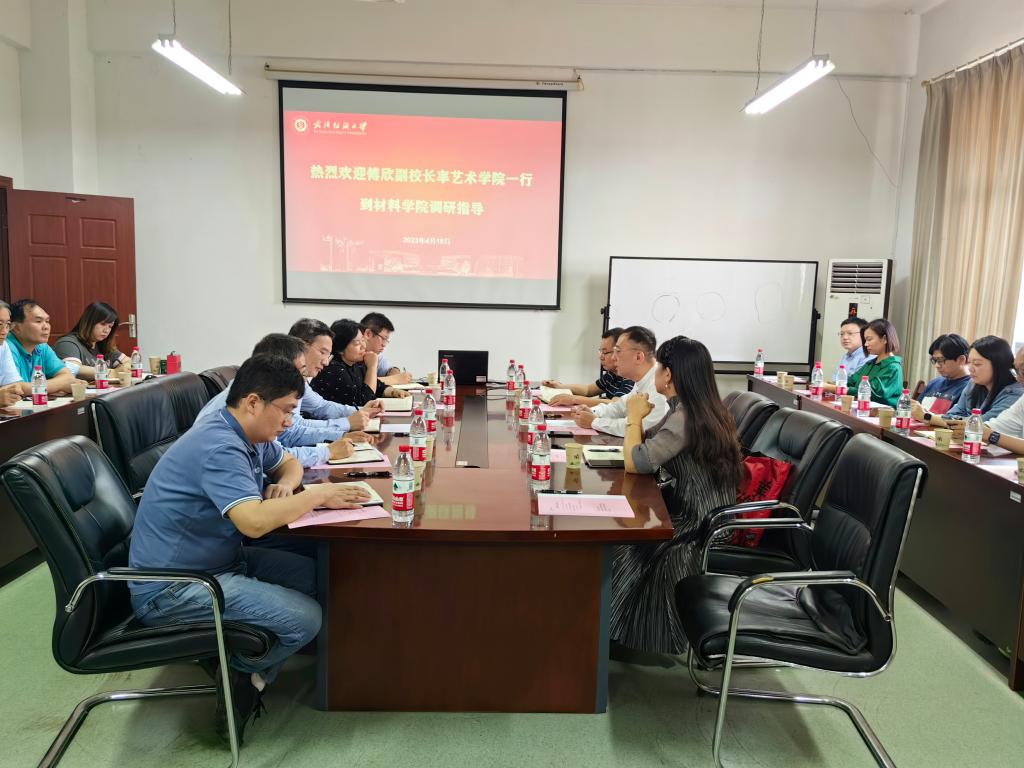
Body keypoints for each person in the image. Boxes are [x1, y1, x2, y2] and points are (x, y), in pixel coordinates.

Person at [128, 355, 371, 741]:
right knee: (306, 618)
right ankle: (240, 673)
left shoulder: (248, 435)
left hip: (222, 562)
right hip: (174, 587)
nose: (290, 421)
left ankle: (245, 664)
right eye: (286, 410)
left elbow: (288, 464)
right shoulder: (220, 445)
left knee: (325, 579)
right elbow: (253, 523)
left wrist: (287, 486)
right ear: (254, 402)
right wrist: (316, 496)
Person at [611, 336, 743, 654]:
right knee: (627, 533)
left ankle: (624, 630)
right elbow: (649, 444)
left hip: (698, 519)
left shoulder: (686, 418)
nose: (656, 373)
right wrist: (637, 427)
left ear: (668, 374)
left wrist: (633, 417)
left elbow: (637, 462)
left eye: (658, 367)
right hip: (695, 507)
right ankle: (617, 627)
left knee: (626, 543)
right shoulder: (690, 409)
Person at [197, 334, 369, 468]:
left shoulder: (265, 396)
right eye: (299, 372)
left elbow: (286, 440)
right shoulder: (238, 418)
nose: (300, 380)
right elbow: (282, 448)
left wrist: (339, 435)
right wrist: (327, 452)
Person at [288, 318, 383, 430]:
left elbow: (321, 407)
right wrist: (347, 424)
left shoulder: (299, 379)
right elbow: (291, 431)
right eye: (322, 352)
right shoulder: (284, 378)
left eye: (328, 355)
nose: (326, 362)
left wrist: (362, 410)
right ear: (302, 346)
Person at [571, 326, 668, 436]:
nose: (613, 358)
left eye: (618, 351)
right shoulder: (642, 381)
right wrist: (592, 412)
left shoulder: (660, 386)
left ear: (638, 357)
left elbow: (640, 428)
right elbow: (619, 407)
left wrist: (594, 422)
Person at [912, 336, 1023, 427]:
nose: (970, 368)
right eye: (969, 362)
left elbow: (979, 426)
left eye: (977, 364)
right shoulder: (973, 384)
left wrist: (927, 416)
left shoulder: (1015, 393)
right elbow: (951, 416)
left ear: (998, 365)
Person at [310, 319, 411, 406]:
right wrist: (372, 367)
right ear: (341, 348)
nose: (363, 346)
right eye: (357, 343)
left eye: (363, 340)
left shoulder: (357, 365)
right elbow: (364, 402)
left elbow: (378, 386)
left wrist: (394, 392)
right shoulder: (335, 370)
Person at [542, 327, 635, 406]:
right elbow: (588, 390)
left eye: (605, 352)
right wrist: (559, 386)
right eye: (601, 351)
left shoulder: (630, 378)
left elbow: (614, 405)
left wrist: (573, 399)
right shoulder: (612, 374)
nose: (601, 357)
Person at [826, 318, 903, 407]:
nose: (866, 344)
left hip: (882, 414)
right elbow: (851, 382)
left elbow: (872, 393)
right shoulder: (870, 364)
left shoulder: (893, 367)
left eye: (869, 339)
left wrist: (832, 388)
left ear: (884, 339)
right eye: (865, 340)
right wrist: (830, 385)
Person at [4, 299, 74, 396]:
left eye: (47, 321)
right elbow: (14, 388)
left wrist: (33, 388)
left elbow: (68, 377)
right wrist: (61, 385)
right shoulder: (5, 347)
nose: (46, 327)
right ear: (16, 328)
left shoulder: (42, 346)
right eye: (38, 321)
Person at [52, 301, 129, 380]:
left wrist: (122, 369)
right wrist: (113, 373)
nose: (106, 330)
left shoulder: (103, 344)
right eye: (103, 324)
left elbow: (129, 362)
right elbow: (74, 369)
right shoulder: (67, 343)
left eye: (110, 326)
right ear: (89, 322)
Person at [917, 333, 971, 414]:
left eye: (941, 360)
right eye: (934, 360)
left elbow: (958, 419)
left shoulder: (971, 387)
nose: (936, 366)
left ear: (961, 360)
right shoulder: (934, 383)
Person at [360, 312, 413, 385]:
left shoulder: (375, 355)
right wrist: (395, 379)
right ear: (368, 334)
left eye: (386, 340)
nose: (384, 345)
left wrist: (395, 374)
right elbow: (357, 384)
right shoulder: (351, 354)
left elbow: (391, 369)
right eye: (383, 338)